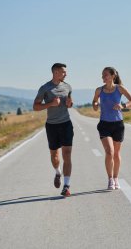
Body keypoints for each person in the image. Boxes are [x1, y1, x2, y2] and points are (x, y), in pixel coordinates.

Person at [92, 67, 131, 190]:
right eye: (102, 75)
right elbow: (94, 104)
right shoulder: (98, 90)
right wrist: (95, 105)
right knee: (109, 152)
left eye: (105, 75)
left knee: (116, 154)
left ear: (113, 76)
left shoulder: (119, 88)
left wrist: (123, 105)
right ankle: (110, 179)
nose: (103, 77)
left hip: (118, 124)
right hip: (104, 124)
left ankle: (116, 178)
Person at [33, 63, 74, 197]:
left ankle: (66, 186)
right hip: (52, 126)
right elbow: (36, 107)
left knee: (67, 154)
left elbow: (70, 102)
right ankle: (58, 172)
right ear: (55, 72)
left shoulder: (67, 87)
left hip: (66, 123)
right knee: (54, 156)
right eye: (63, 72)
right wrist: (51, 104)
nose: (65, 74)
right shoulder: (45, 88)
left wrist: (70, 104)